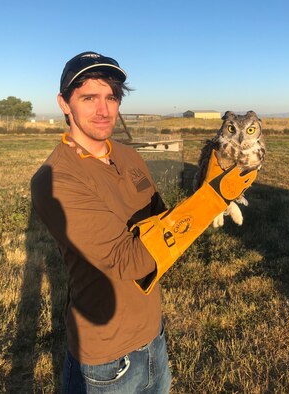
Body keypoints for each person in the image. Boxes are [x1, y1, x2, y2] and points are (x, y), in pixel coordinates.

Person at [31, 51, 257, 393]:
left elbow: (164, 222)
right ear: (64, 103)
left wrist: (208, 193)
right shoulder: (56, 179)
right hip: (106, 359)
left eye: (111, 97)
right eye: (88, 97)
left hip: (154, 336)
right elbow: (131, 260)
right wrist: (210, 200)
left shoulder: (127, 155)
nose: (103, 109)